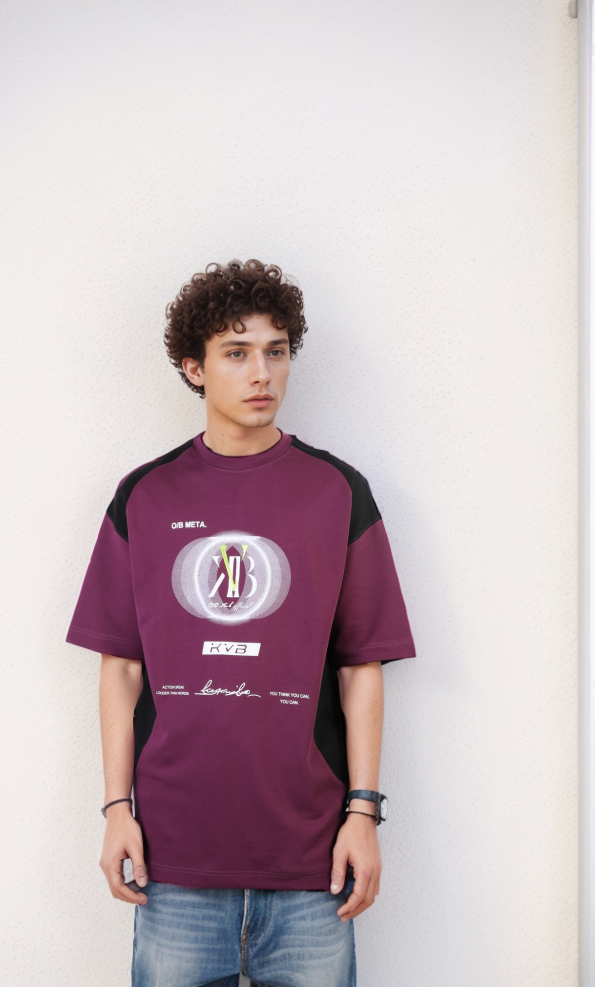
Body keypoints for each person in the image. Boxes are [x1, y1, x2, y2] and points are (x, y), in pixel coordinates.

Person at [66, 258, 417, 987]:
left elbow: (361, 668)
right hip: (173, 861)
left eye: (276, 351)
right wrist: (116, 809)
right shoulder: (145, 496)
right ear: (194, 368)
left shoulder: (337, 492)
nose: (262, 373)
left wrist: (364, 813)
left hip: (313, 864)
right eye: (236, 352)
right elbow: (120, 668)